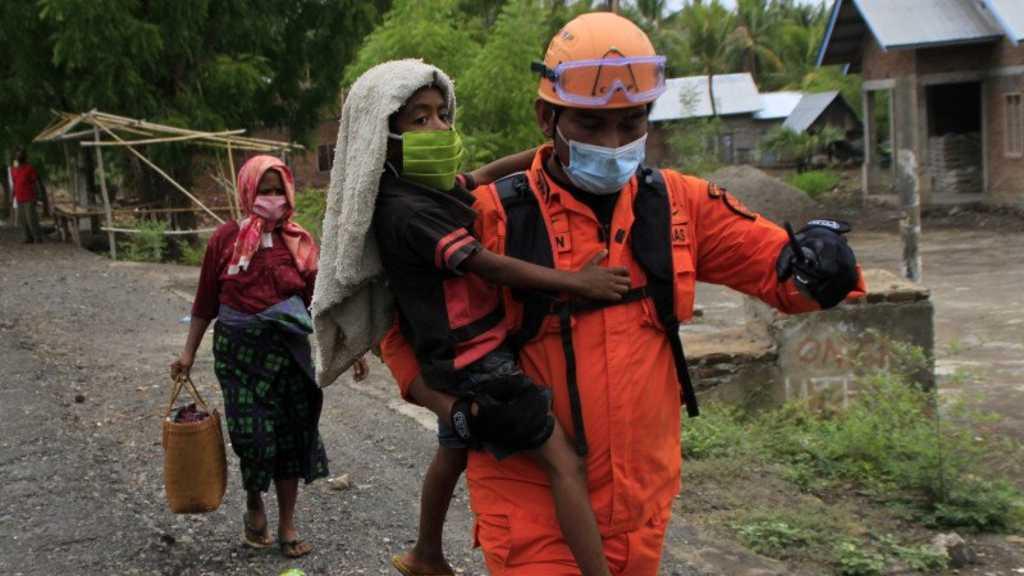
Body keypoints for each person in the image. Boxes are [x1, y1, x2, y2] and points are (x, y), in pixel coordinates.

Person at [379, 12, 866, 575]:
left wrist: (822, 268)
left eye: (631, 122)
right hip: (529, 507)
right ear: (547, 117)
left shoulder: (680, 205)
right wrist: (452, 410)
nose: (614, 144)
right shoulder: (490, 218)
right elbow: (402, 330)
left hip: (640, 511)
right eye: (590, 126)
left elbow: (780, 275)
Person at [335, 60, 629, 576]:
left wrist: (548, 155)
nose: (439, 127)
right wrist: (576, 282)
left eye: (442, 114)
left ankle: (426, 552)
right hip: (474, 360)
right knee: (565, 462)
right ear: (383, 134)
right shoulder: (406, 211)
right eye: (419, 119)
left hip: (448, 356)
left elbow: (484, 175)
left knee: (454, 446)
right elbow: (484, 263)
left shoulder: (426, 188)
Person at [170, 155, 366, 558]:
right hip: (239, 355)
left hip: (290, 353)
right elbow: (206, 300)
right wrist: (187, 352)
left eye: (278, 189)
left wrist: (349, 347)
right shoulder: (225, 240)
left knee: (291, 437)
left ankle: (287, 522)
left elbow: (320, 301)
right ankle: (254, 503)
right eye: (264, 189)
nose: (272, 198)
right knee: (253, 438)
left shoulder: (300, 242)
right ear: (247, 191)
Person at [10, 149, 44, 243]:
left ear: (25, 157)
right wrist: (12, 196)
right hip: (19, 198)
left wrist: (39, 195)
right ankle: (28, 237)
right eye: (17, 155)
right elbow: (14, 183)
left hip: (29, 197)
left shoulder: (30, 168)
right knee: (23, 219)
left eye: (20, 155)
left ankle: (37, 237)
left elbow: (35, 182)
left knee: (31, 218)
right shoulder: (14, 170)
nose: (18, 157)